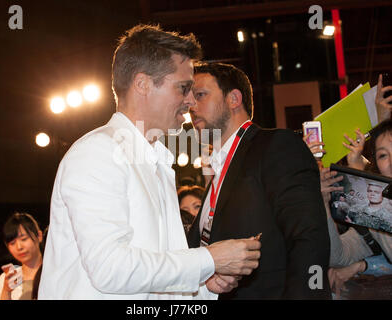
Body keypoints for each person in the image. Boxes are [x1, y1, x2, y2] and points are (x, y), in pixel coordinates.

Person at [38, 24, 261, 300]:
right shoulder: (98, 152)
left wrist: (204, 285)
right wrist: (208, 260)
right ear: (142, 84)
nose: (191, 101)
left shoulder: (158, 162)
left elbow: (154, 283)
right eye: (183, 88)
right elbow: (110, 269)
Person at [187, 62, 331, 299]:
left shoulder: (276, 145)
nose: (191, 105)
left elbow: (308, 238)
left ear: (234, 99)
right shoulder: (219, 169)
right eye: (190, 98)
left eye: (200, 95)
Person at [315, 120, 392, 298]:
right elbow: (338, 257)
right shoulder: (374, 211)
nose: (391, 161)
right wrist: (323, 204)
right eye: (382, 155)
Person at [0, 212, 43, 300]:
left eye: (24, 239)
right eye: (12, 243)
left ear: (39, 236)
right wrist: (6, 291)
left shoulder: (55, 272)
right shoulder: (6, 279)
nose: (19, 247)